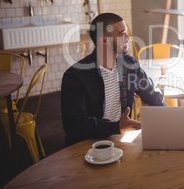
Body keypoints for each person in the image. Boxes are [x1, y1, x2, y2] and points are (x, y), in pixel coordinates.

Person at [61, 13, 165, 146]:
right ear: (104, 41)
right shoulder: (75, 76)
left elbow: (153, 95)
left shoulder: (130, 65)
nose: (128, 38)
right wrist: (116, 127)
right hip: (88, 144)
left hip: (121, 140)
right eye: (122, 34)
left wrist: (165, 118)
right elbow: (75, 124)